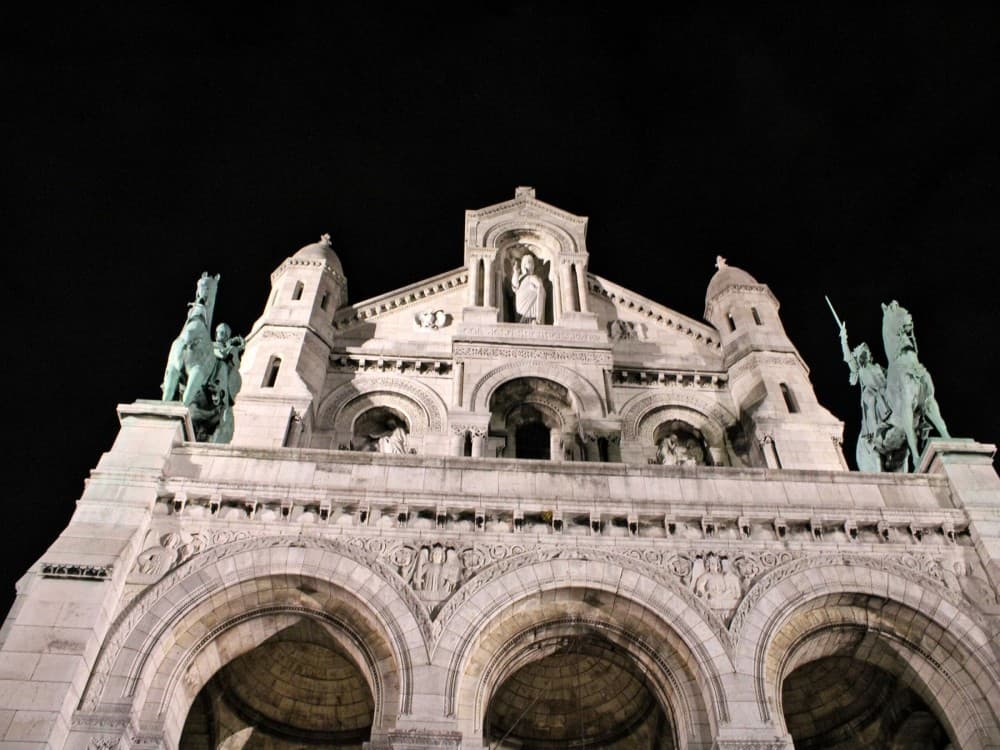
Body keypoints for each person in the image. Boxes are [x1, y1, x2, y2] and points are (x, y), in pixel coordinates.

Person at [839, 323, 892, 472]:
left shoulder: (877, 367)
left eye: (867, 350)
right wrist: (844, 338)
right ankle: (874, 434)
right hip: (872, 395)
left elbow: (891, 378)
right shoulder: (859, 369)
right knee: (871, 400)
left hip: (884, 393)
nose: (865, 353)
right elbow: (848, 357)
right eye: (862, 351)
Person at [511, 253, 546, 324]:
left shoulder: (534, 277)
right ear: (523, 265)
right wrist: (515, 272)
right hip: (520, 309)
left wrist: (536, 290)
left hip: (530, 310)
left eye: (533, 263)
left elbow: (540, 287)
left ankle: (536, 319)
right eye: (529, 262)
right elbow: (514, 287)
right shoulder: (520, 277)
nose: (532, 265)